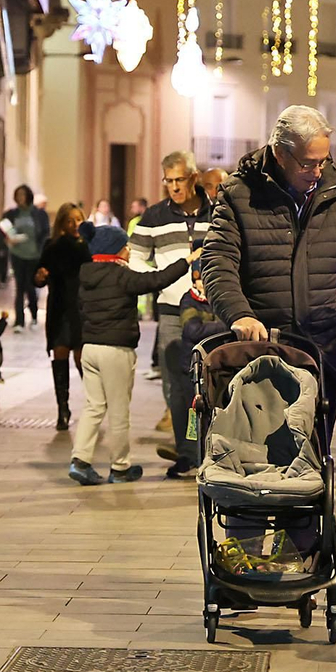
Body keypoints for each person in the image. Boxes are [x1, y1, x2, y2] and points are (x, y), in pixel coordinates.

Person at [203, 105, 336, 437]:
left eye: (323, 161)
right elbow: (218, 262)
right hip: (264, 349)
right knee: (264, 454)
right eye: (308, 163)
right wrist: (239, 315)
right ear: (280, 154)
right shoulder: (239, 194)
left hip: (328, 351)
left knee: (317, 453)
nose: (318, 171)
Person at [68, 225, 192, 486]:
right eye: (126, 245)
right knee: (118, 410)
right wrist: (186, 261)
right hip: (116, 350)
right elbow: (155, 281)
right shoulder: (120, 275)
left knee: (93, 406)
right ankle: (120, 467)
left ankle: (80, 461)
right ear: (115, 249)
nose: (130, 249)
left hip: (90, 348)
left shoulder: (86, 274)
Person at [130, 150, 214, 472]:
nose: (174, 187)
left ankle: (208, 449)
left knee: (210, 381)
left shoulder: (217, 213)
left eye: (180, 180)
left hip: (210, 311)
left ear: (193, 178)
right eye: (169, 181)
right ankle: (186, 451)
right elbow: (136, 257)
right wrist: (158, 278)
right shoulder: (153, 216)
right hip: (169, 310)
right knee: (174, 385)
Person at [163, 252, 229, 476]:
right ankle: (189, 457)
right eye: (198, 279)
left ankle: (211, 456)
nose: (201, 284)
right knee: (191, 413)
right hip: (191, 368)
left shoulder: (222, 298)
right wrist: (223, 326)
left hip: (216, 369)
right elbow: (192, 329)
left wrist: (211, 326)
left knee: (217, 415)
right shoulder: (188, 299)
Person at [35, 203, 91, 431]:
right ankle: (62, 409)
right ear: (61, 223)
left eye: (79, 219)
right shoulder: (52, 245)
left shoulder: (87, 245)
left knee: (81, 358)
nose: (75, 224)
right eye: (70, 220)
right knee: (59, 354)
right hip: (59, 307)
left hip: (80, 307)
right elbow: (39, 274)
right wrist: (40, 276)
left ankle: (93, 406)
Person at [0, 186, 46, 329]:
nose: (20, 197)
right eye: (18, 195)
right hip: (17, 254)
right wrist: (8, 239)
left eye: (22, 194)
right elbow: (4, 230)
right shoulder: (12, 214)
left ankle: (33, 316)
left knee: (30, 286)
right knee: (19, 287)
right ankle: (19, 320)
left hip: (33, 255)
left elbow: (44, 233)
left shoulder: (38, 214)